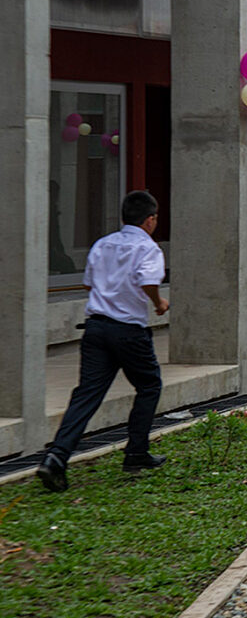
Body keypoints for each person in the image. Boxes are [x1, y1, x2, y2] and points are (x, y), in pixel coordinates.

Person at [37, 190, 170, 492]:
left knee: (87, 394)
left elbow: (88, 282)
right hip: (128, 330)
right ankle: (136, 452)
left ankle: (56, 457)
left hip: (96, 328)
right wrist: (158, 302)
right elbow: (148, 281)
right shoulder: (148, 248)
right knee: (149, 385)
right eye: (155, 219)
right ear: (150, 220)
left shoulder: (103, 244)